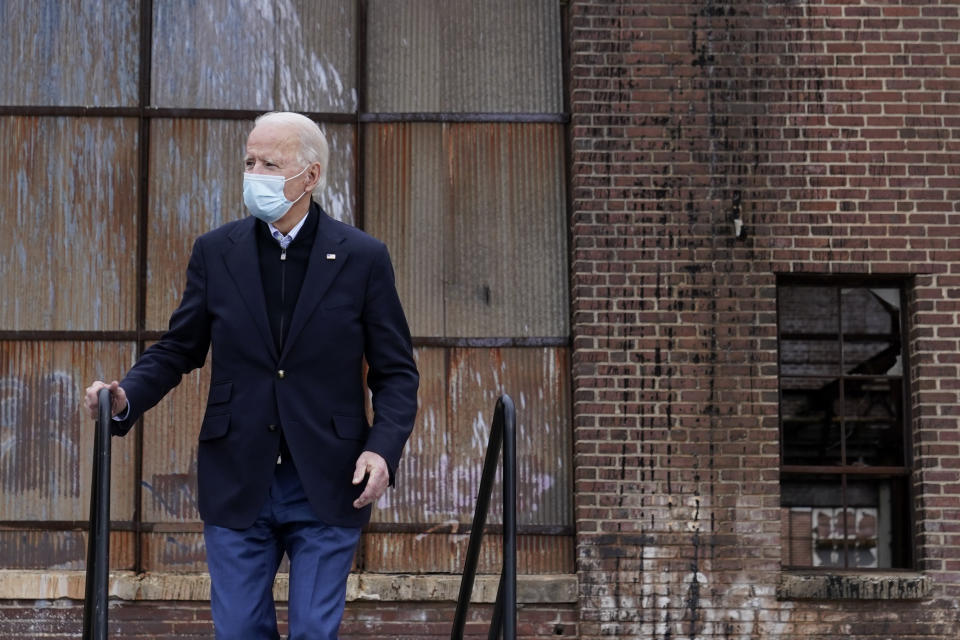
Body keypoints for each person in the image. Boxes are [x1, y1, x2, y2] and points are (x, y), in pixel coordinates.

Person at [84, 111, 419, 639]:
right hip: (239, 474)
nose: (255, 173)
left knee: (313, 631)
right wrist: (126, 396)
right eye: (249, 161)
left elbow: (396, 372)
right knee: (239, 630)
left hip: (329, 479)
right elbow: (179, 348)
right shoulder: (217, 252)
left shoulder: (362, 257)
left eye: (269, 163)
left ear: (309, 177)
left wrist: (383, 448)